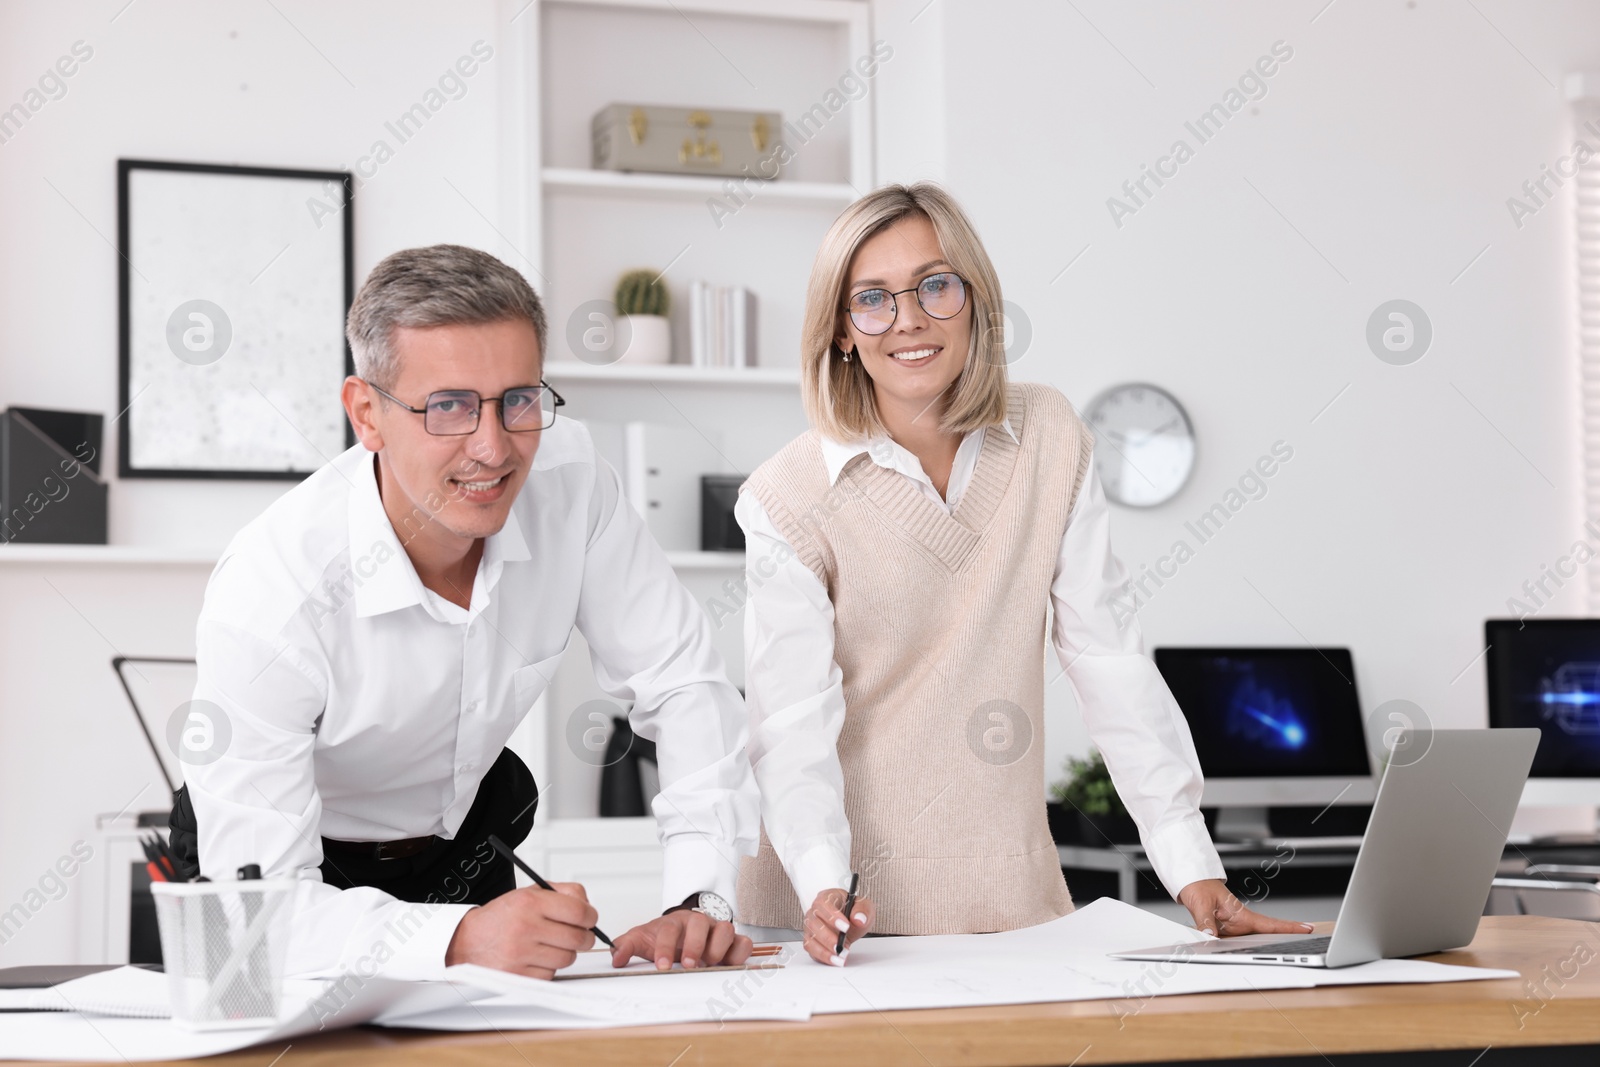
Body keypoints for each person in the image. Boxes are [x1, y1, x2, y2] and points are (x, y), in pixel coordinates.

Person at [735, 183, 1313, 966]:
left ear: (976, 300)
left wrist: (1192, 866)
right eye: (871, 299)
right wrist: (819, 882)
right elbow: (791, 720)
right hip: (833, 912)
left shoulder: (1048, 435)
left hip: (1009, 901)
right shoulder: (787, 495)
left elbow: (1105, 656)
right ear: (841, 330)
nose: (908, 319)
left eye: (935, 285)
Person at [172, 244, 759, 980]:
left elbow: (684, 684)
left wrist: (697, 895)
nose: (493, 447)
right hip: (284, 882)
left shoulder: (572, 481)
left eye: (518, 400)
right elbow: (257, 920)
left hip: (463, 853)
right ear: (367, 414)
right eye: (448, 406)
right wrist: (456, 940)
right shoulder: (275, 586)